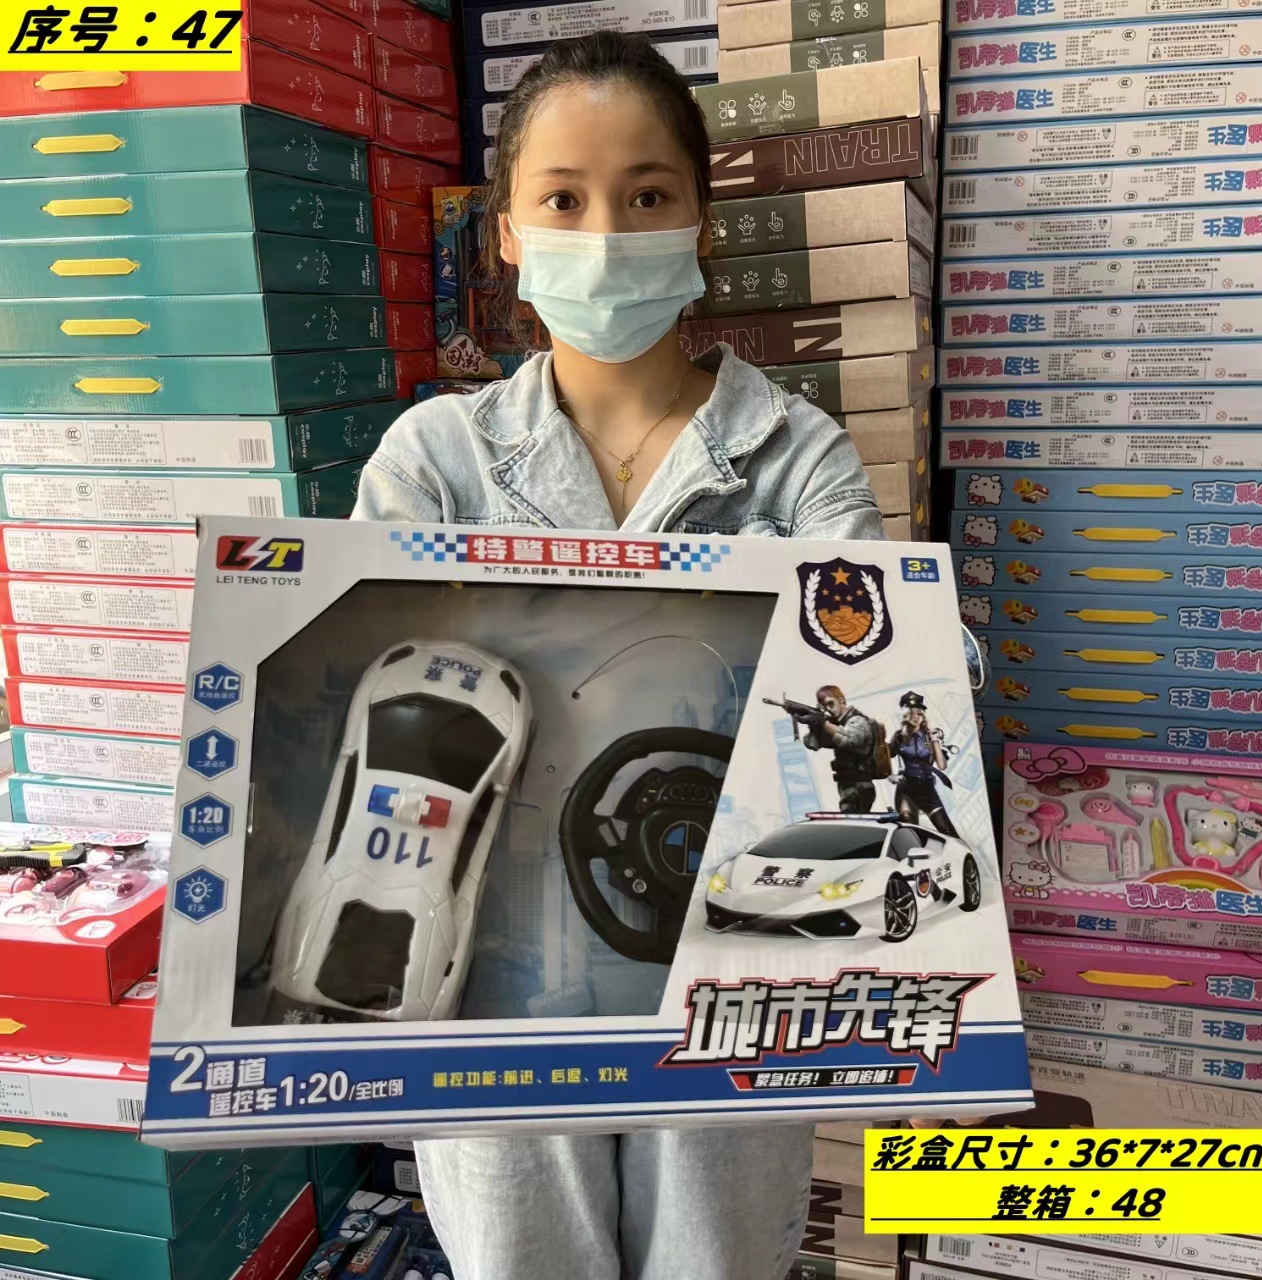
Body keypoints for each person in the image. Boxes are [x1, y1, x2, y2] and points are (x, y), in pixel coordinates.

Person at [352, 30, 883, 1280]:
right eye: (562, 199)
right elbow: (359, 693)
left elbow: (884, 688)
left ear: (699, 220)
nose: (604, 233)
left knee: (717, 1255)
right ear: (504, 232)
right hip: (489, 965)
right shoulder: (435, 460)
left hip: (731, 964)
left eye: (646, 196)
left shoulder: (797, 456)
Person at [802, 686, 886, 815]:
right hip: (847, 785)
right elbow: (812, 744)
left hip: (859, 786)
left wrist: (824, 724)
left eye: (831, 704)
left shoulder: (858, 721)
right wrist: (813, 725)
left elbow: (849, 739)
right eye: (825, 707)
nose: (829, 709)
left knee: (853, 821)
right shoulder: (836, 724)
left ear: (841, 700)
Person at [888, 691, 960, 838]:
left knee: (948, 832)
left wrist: (935, 741)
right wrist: (890, 776)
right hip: (906, 789)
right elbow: (883, 756)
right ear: (905, 715)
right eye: (911, 713)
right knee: (910, 833)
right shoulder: (899, 737)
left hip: (927, 790)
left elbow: (942, 765)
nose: (916, 717)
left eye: (919, 713)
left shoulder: (929, 735)